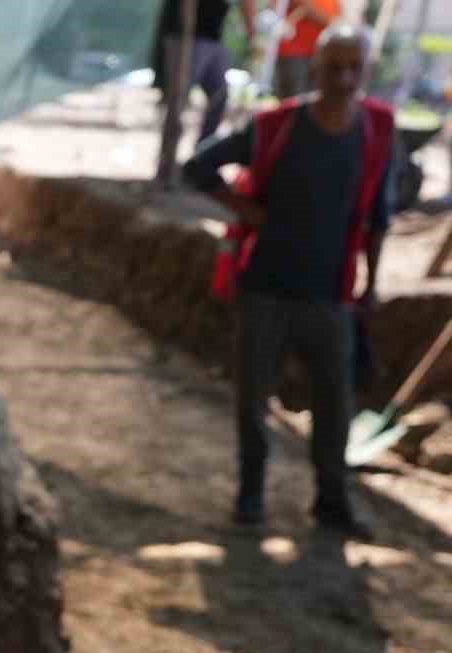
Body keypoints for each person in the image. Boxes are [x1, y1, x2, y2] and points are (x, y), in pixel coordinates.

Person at [185, 25, 394, 537]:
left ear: (366, 71)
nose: (344, 78)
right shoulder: (275, 126)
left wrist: (370, 284)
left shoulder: (377, 130)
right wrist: (243, 210)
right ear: (315, 68)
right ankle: (250, 498)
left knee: (335, 404)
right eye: (335, 66)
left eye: (354, 67)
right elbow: (198, 167)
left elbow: (378, 215)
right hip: (265, 288)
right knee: (252, 399)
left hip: (331, 295)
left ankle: (331, 502)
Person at [157, 0, 258, 148]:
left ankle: (202, 153)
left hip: (213, 38)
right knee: (178, 100)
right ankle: (168, 154)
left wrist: (252, 35)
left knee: (219, 97)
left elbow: (246, 4)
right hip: (184, 37)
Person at [274, 0, 341, 99]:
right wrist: (334, 24)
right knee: (294, 102)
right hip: (295, 52)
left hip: (319, 53)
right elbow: (303, 4)